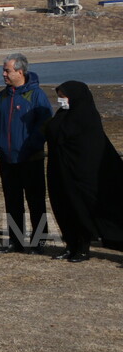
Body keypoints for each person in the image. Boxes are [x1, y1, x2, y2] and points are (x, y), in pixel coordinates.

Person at [45, 81, 123, 263]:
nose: (60, 100)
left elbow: (87, 148)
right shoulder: (63, 114)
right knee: (65, 209)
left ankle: (83, 248)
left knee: (82, 209)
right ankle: (72, 245)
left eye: (64, 96)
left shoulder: (86, 116)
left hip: (81, 175)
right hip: (61, 171)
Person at [0, 53, 54, 253]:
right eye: (4, 70)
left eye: (7, 70)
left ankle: (39, 240)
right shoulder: (2, 96)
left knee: (35, 201)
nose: (3, 74)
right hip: (7, 159)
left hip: (30, 158)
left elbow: (44, 125)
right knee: (12, 201)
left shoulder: (36, 95)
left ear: (20, 71)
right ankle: (16, 240)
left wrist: (30, 147)